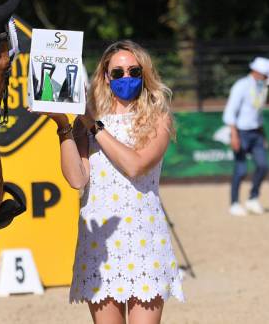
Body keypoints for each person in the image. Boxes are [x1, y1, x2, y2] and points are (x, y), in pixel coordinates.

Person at [45, 40, 184, 324]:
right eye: (118, 72)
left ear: (144, 75)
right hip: (99, 241)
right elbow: (76, 178)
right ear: (106, 77)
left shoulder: (159, 119)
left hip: (144, 237)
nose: (127, 78)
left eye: (134, 71)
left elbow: (135, 166)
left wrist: (94, 126)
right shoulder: (87, 123)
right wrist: (63, 127)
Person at [223, 56, 269, 216]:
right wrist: (234, 135)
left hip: (256, 133)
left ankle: (253, 199)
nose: (266, 78)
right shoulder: (241, 86)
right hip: (241, 132)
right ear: (256, 71)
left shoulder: (260, 87)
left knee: (263, 166)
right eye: (265, 74)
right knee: (241, 169)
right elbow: (230, 112)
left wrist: (263, 136)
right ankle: (234, 203)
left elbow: (258, 114)